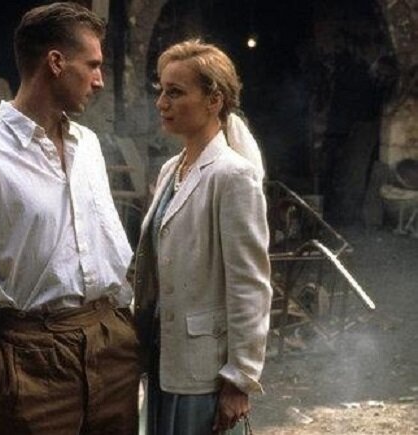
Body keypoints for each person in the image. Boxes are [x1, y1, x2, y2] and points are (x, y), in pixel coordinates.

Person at [0, 3, 139, 434]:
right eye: (93, 65)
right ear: (56, 63)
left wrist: (122, 336)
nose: (99, 80)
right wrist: (3, 381)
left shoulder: (88, 146)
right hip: (32, 362)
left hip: (111, 351)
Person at [133, 39, 272, 435]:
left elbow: (249, 284)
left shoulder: (232, 176)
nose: (162, 103)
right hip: (165, 356)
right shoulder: (171, 170)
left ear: (214, 100)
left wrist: (240, 379)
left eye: (175, 92)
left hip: (204, 371)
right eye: (161, 90)